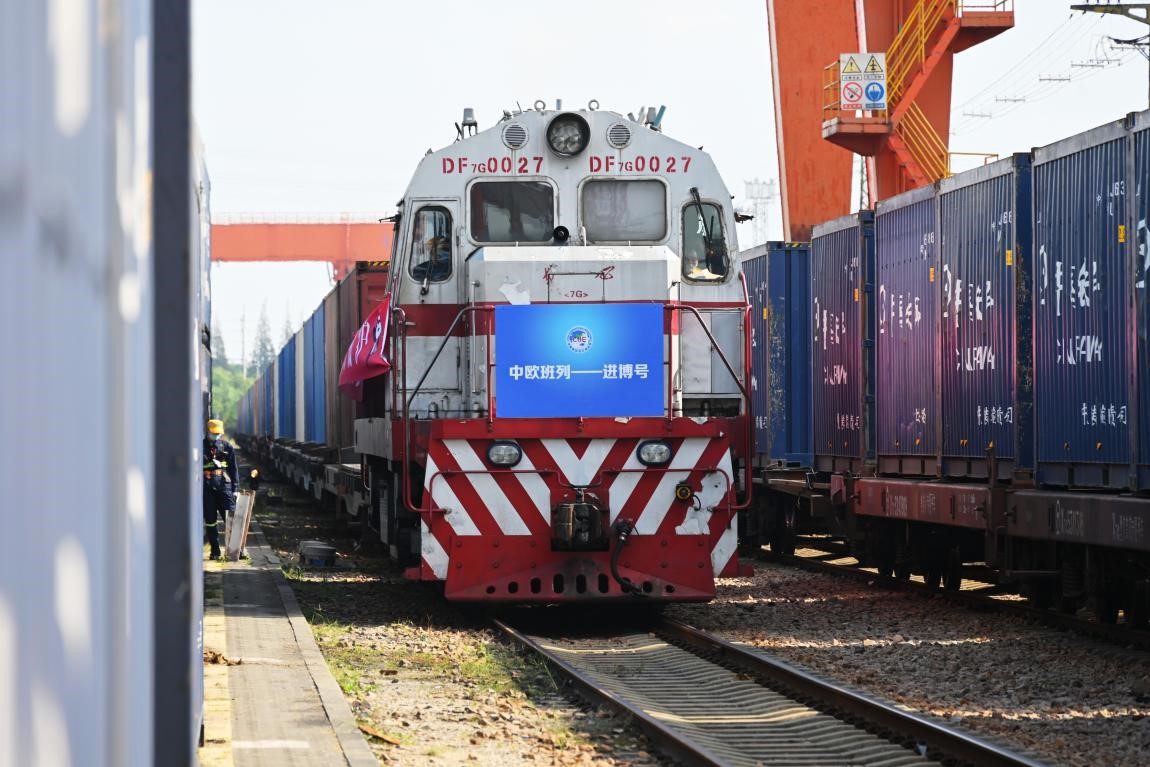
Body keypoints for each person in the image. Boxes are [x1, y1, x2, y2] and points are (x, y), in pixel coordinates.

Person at [203, 419, 238, 560]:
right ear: (208, 432)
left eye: (218, 433)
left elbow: (233, 469)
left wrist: (235, 488)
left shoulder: (227, 447)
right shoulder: (200, 447)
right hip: (207, 488)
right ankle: (215, 551)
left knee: (230, 519)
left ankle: (235, 550)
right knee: (210, 521)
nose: (216, 436)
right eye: (214, 433)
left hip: (224, 487)